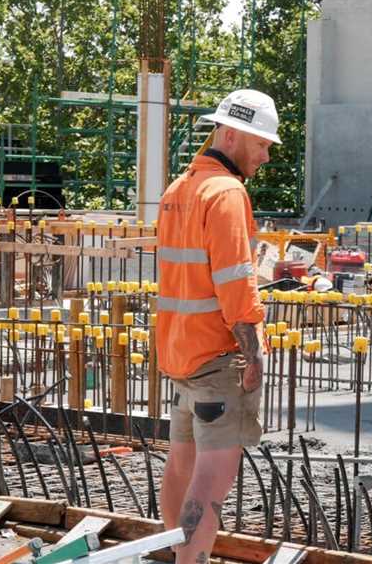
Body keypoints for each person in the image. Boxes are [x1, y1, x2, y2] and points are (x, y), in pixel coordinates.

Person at [157, 89, 280, 564]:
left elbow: (190, 274)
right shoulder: (227, 192)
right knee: (213, 476)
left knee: (181, 461)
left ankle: (178, 556)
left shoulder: (179, 189)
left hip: (180, 355)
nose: (266, 156)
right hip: (216, 358)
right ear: (231, 133)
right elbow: (234, 284)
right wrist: (254, 354)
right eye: (262, 144)